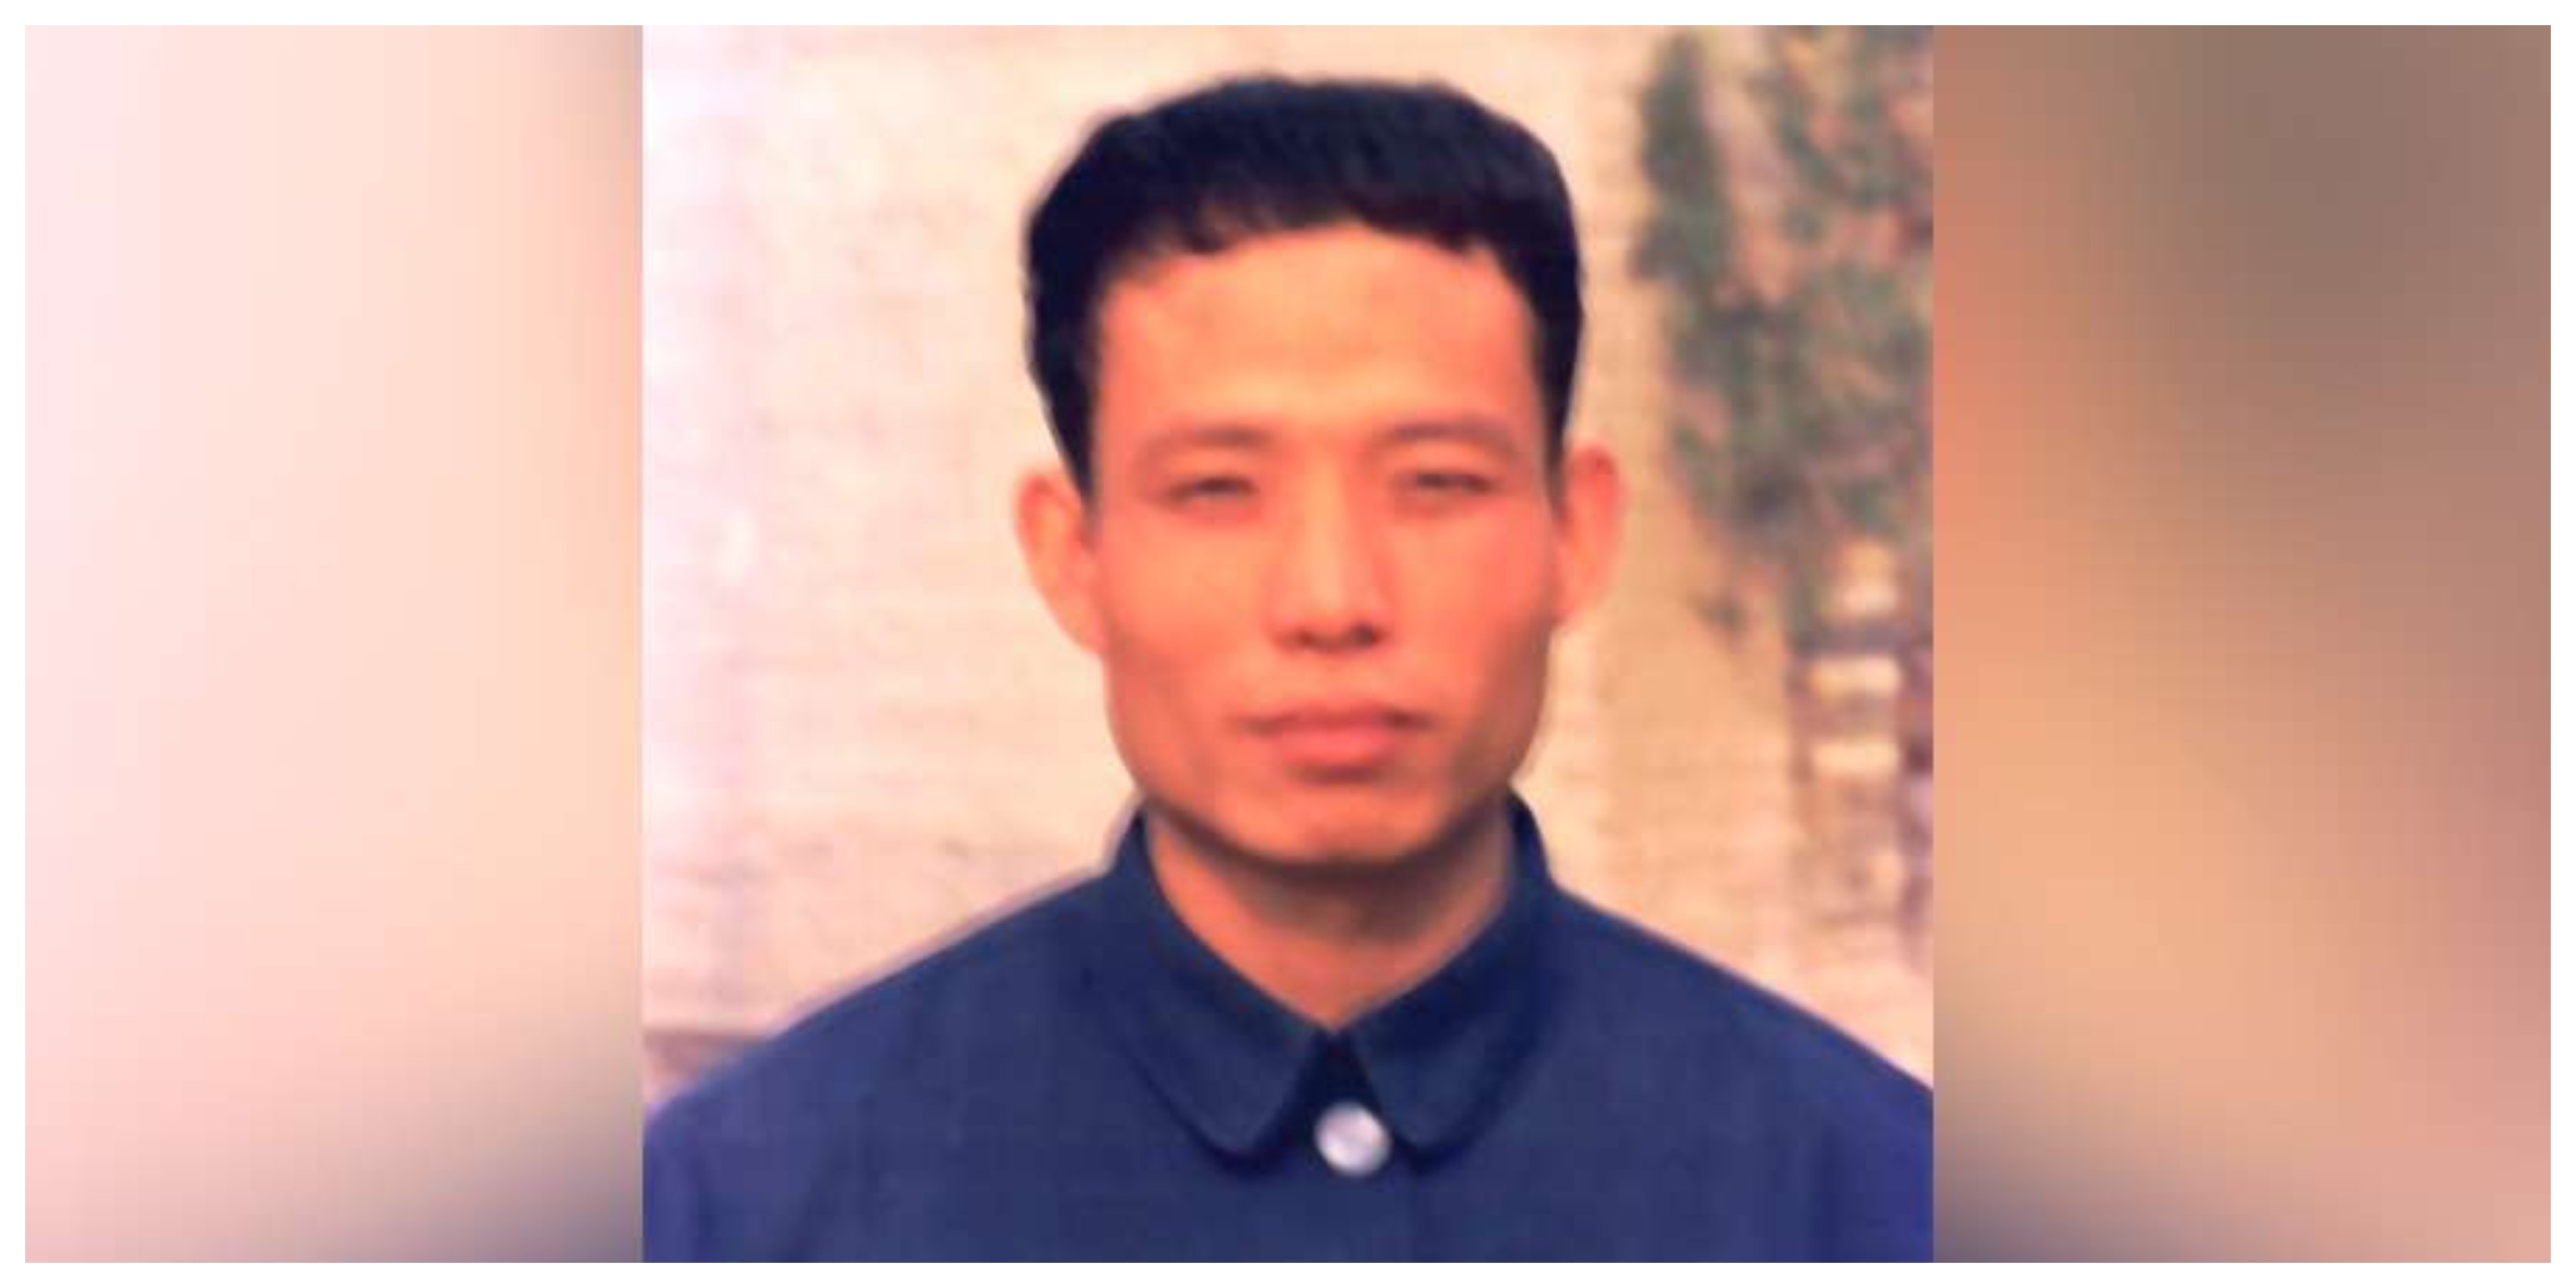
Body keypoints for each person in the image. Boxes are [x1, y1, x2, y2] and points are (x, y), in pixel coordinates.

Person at [645, 74, 1931, 1261]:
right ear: (1073, 553)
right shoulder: (740, 1206)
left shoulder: (1880, 1195)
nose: (1332, 602)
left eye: (1436, 484)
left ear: (1574, 534)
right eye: (1218, 491)